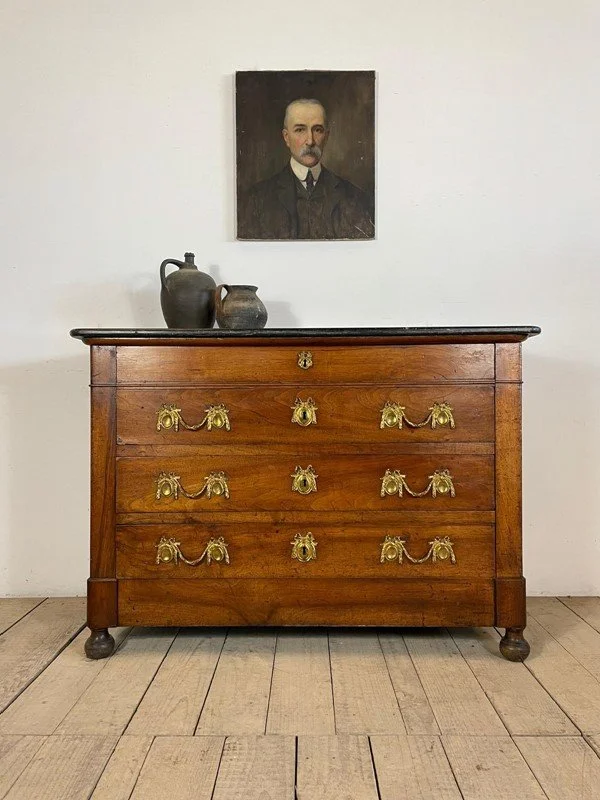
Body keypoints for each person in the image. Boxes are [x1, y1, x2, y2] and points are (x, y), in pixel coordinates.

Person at [237, 98, 374, 240]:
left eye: (318, 130)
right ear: (286, 137)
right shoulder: (256, 200)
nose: (310, 140)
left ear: (326, 136)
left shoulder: (355, 198)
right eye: (300, 130)